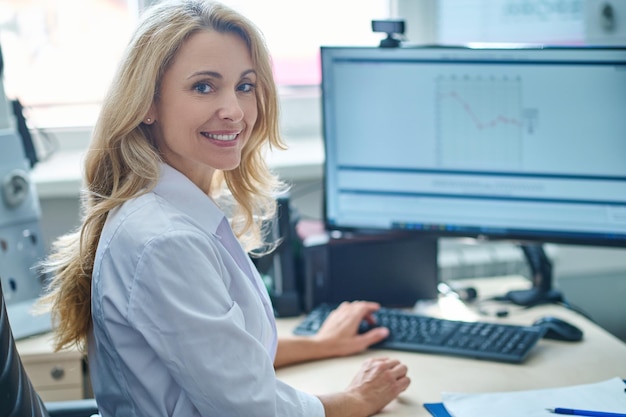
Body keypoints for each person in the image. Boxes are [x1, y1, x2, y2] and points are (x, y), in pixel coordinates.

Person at [39, 1, 410, 416]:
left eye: (245, 86)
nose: (234, 110)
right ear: (147, 104)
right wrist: (358, 400)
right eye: (203, 87)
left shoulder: (172, 211)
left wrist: (321, 344)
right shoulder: (164, 240)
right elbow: (252, 409)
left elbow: (213, 356)